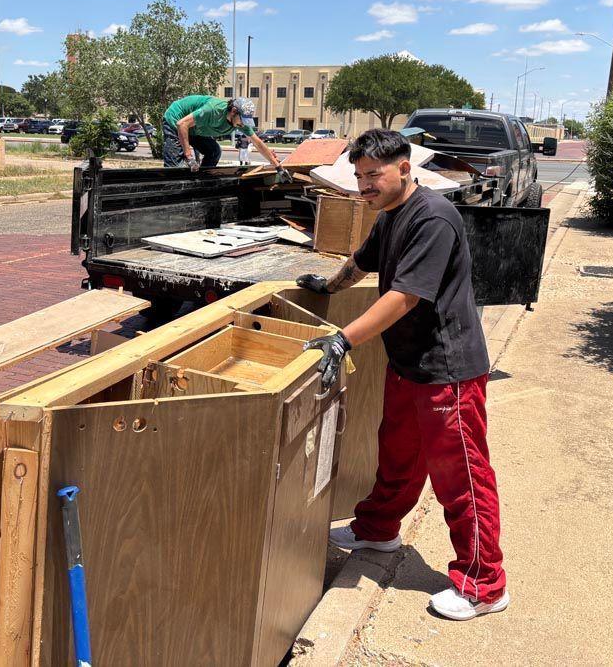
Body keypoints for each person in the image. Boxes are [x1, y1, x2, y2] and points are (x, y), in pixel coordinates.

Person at [298, 128, 507, 622]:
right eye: (359, 175)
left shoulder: (432, 218)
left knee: (461, 477)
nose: (365, 184)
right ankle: (378, 529)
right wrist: (325, 284)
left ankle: (485, 584)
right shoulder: (391, 214)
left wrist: (343, 337)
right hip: (409, 361)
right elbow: (362, 263)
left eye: (375, 175)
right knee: (397, 455)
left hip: (447, 369)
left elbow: (405, 296)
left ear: (404, 169)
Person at [162, 95, 288, 176]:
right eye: (242, 120)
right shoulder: (212, 110)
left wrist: (278, 167)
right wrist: (189, 158)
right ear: (233, 112)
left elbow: (258, 143)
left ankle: (201, 180)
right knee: (175, 169)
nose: (243, 124)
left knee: (214, 151)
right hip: (176, 121)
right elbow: (182, 124)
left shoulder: (240, 122)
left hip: (194, 129)